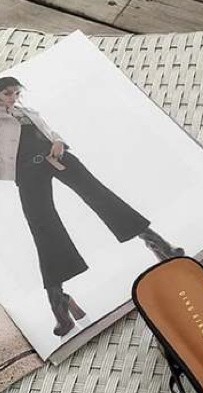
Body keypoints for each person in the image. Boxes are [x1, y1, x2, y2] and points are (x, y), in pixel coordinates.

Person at [0, 76, 184, 337]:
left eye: (17, 93)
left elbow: (48, 130)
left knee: (101, 197)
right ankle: (58, 302)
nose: (13, 98)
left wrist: (58, 141)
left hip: (57, 158)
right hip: (28, 173)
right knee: (43, 228)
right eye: (8, 94)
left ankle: (158, 244)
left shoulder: (25, 111)